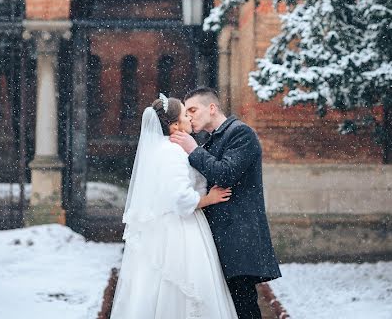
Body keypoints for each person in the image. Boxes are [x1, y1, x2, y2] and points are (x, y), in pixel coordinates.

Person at [110, 95, 239, 319]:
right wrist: (209, 198)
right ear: (175, 126)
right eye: (184, 114)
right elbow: (180, 198)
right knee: (183, 288)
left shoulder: (159, 149)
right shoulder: (173, 151)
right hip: (180, 230)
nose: (190, 117)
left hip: (165, 227)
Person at [170, 87, 281, 319]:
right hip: (221, 238)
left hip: (238, 238)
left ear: (212, 108)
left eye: (193, 110)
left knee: (244, 307)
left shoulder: (241, 134)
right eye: (186, 112)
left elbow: (226, 174)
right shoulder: (211, 141)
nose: (189, 116)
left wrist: (192, 149)